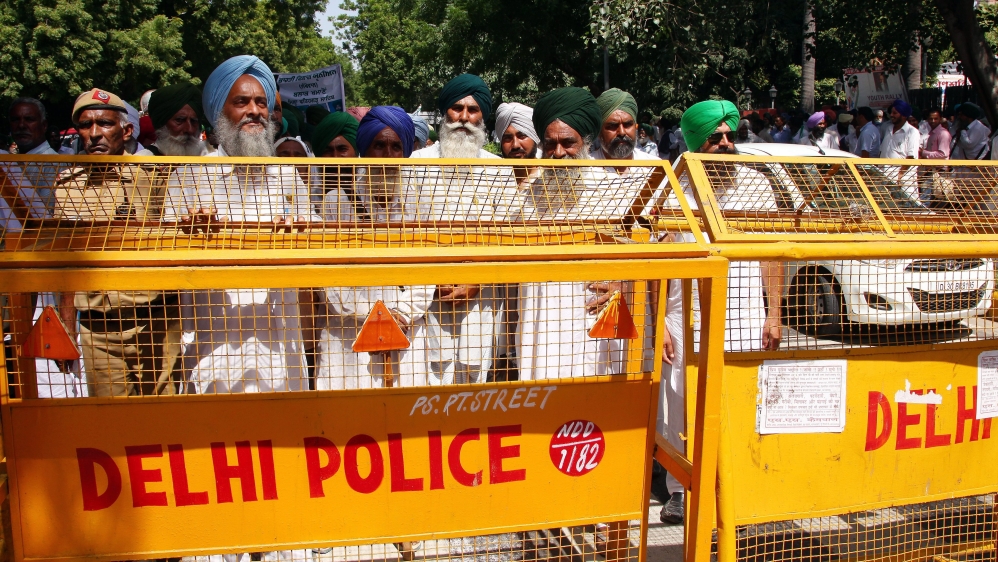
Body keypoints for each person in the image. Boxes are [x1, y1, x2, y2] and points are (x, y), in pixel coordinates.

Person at [166, 55, 313, 400]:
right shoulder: (188, 178)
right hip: (215, 341)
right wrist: (187, 233)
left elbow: (317, 238)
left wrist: (305, 230)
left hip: (280, 341)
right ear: (221, 113)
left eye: (261, 102)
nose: (255, 111)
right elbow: (161, 260)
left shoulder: (288, 176)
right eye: (242, 102)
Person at [54, 88, 183, 397]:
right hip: (98, 328)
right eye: (86, 125)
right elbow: (66, 262)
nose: (95, 134)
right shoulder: (66, 185)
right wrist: (67, 326)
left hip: (154, 322)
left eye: (105, 124)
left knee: (167, 417)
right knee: (112, 423)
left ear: (126, 131)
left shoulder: (155, 176)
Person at [515, 86, 629, 380]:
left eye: (568, 142)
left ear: (586, 142)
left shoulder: (612, 191)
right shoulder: (527, 194)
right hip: (539, 323)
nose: (558, 153)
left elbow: (642, 258)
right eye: (549, 145)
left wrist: (625, 283)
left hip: (591, 321)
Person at [316, 106, 433, 390]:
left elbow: (429, 270)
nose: (388, 156)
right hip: (347, 336)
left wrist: (402, 314)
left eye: (396, 147)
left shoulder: (422, 202)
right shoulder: (337, 202)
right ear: (365, 150)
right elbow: (328, 276)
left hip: (407, 332)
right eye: (379, 145)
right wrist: (374, 317)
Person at [409, 74, 515, 385]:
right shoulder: (417, 162)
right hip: (428, 296)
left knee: (475, 380)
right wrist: (432, 277)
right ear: (445, 114)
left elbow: (508, 237)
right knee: (430, 381)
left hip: (481, 299)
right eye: (457, 108)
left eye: (473, 110)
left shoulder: (497, 167)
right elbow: (404, 229)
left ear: (482, 116)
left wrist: (478, 279)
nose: (464, 118)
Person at [142, 83, 206, 156]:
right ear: (162, 124)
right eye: (179, 120)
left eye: (194, 121)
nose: (189, 129)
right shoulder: (139, 163)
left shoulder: (209, 162)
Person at [879, 99, 920, 198]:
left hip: (902, 180)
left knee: (906, 209)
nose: (891, 115)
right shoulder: (887, 129)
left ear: (904, 115)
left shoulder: (912, 132)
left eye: (895, 113)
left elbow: (911, 157)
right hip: (885, 177)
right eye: (891, 113)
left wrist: (900, 176)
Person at [495, 101, 540, 185]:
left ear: (535, 137)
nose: (515, 145)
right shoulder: (493, 179)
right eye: (508, 138)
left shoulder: (549, 179)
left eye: (522, 136)